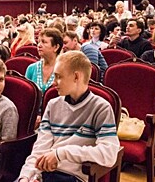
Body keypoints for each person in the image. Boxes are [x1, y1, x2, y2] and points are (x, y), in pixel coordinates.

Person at [17, 51, 120, 182]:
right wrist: (26, 176)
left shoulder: (101, 108)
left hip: (73, 177)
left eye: (58, 77)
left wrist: (62, 153)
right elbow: (40, 148)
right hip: (44, 174)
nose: (53, 83)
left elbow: (109, 154)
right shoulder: (53, 105)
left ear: (76, 77)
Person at [25, 29, 63, 95]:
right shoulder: (31, 68)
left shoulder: (65, 69)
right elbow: (26, 95)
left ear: (56, 47)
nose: (39, 45)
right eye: (39, 42)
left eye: (44, 42)